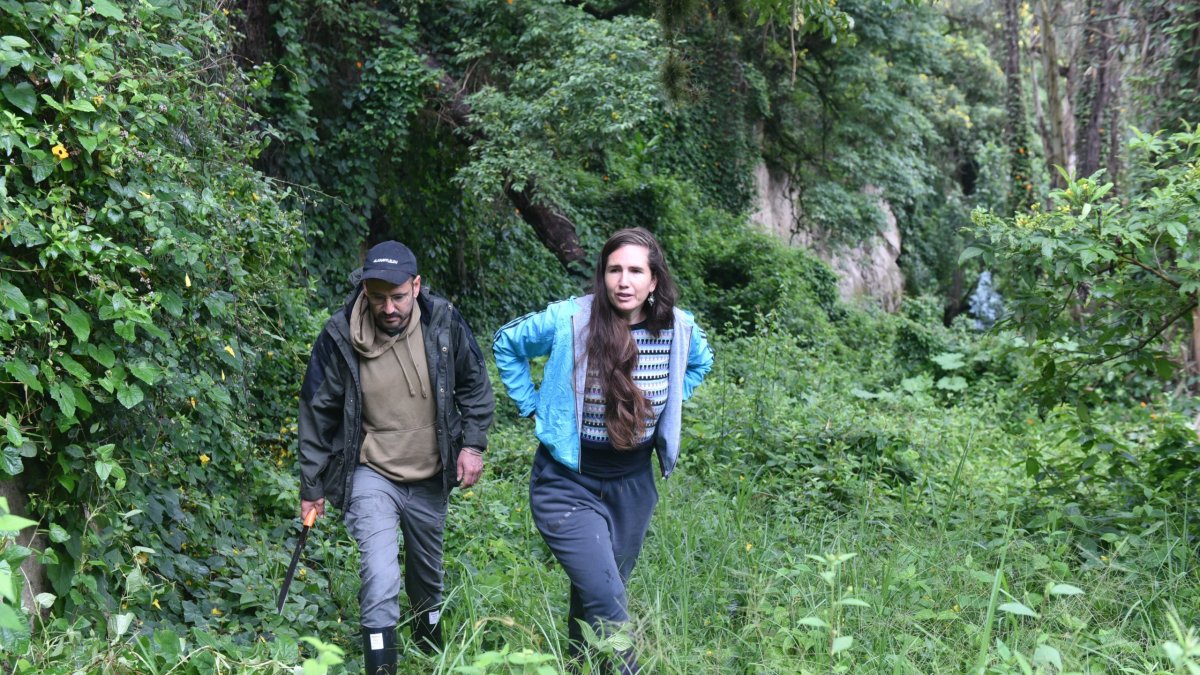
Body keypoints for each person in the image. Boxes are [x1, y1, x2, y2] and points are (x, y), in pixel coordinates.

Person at [492, 227, 714, 672]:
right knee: (607, 598)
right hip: (566, 482)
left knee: (596, 591)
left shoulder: (678, 328)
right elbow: (507, 345)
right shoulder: (570, 319)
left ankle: (580, 665)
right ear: (602, 275)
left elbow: (700, 364)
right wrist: (535, 407)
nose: (623, 281)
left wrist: (665, 402)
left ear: (654, 280)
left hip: (633, 487)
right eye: (614, 270)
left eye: (636, 271)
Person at [297, 240, 494, 674]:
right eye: (379, 297)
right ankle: (381, 667)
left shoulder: (443, 322)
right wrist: (312, 486)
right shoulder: (339, 335)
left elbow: (475, 385)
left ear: (416, 286)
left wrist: (472, 445)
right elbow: (315, 411)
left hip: (430, 473)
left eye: (399, 297)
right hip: (371, 471)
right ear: (365, 290)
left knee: (427, 576)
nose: (389, 308)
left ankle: (429, 649)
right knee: (380, 574)